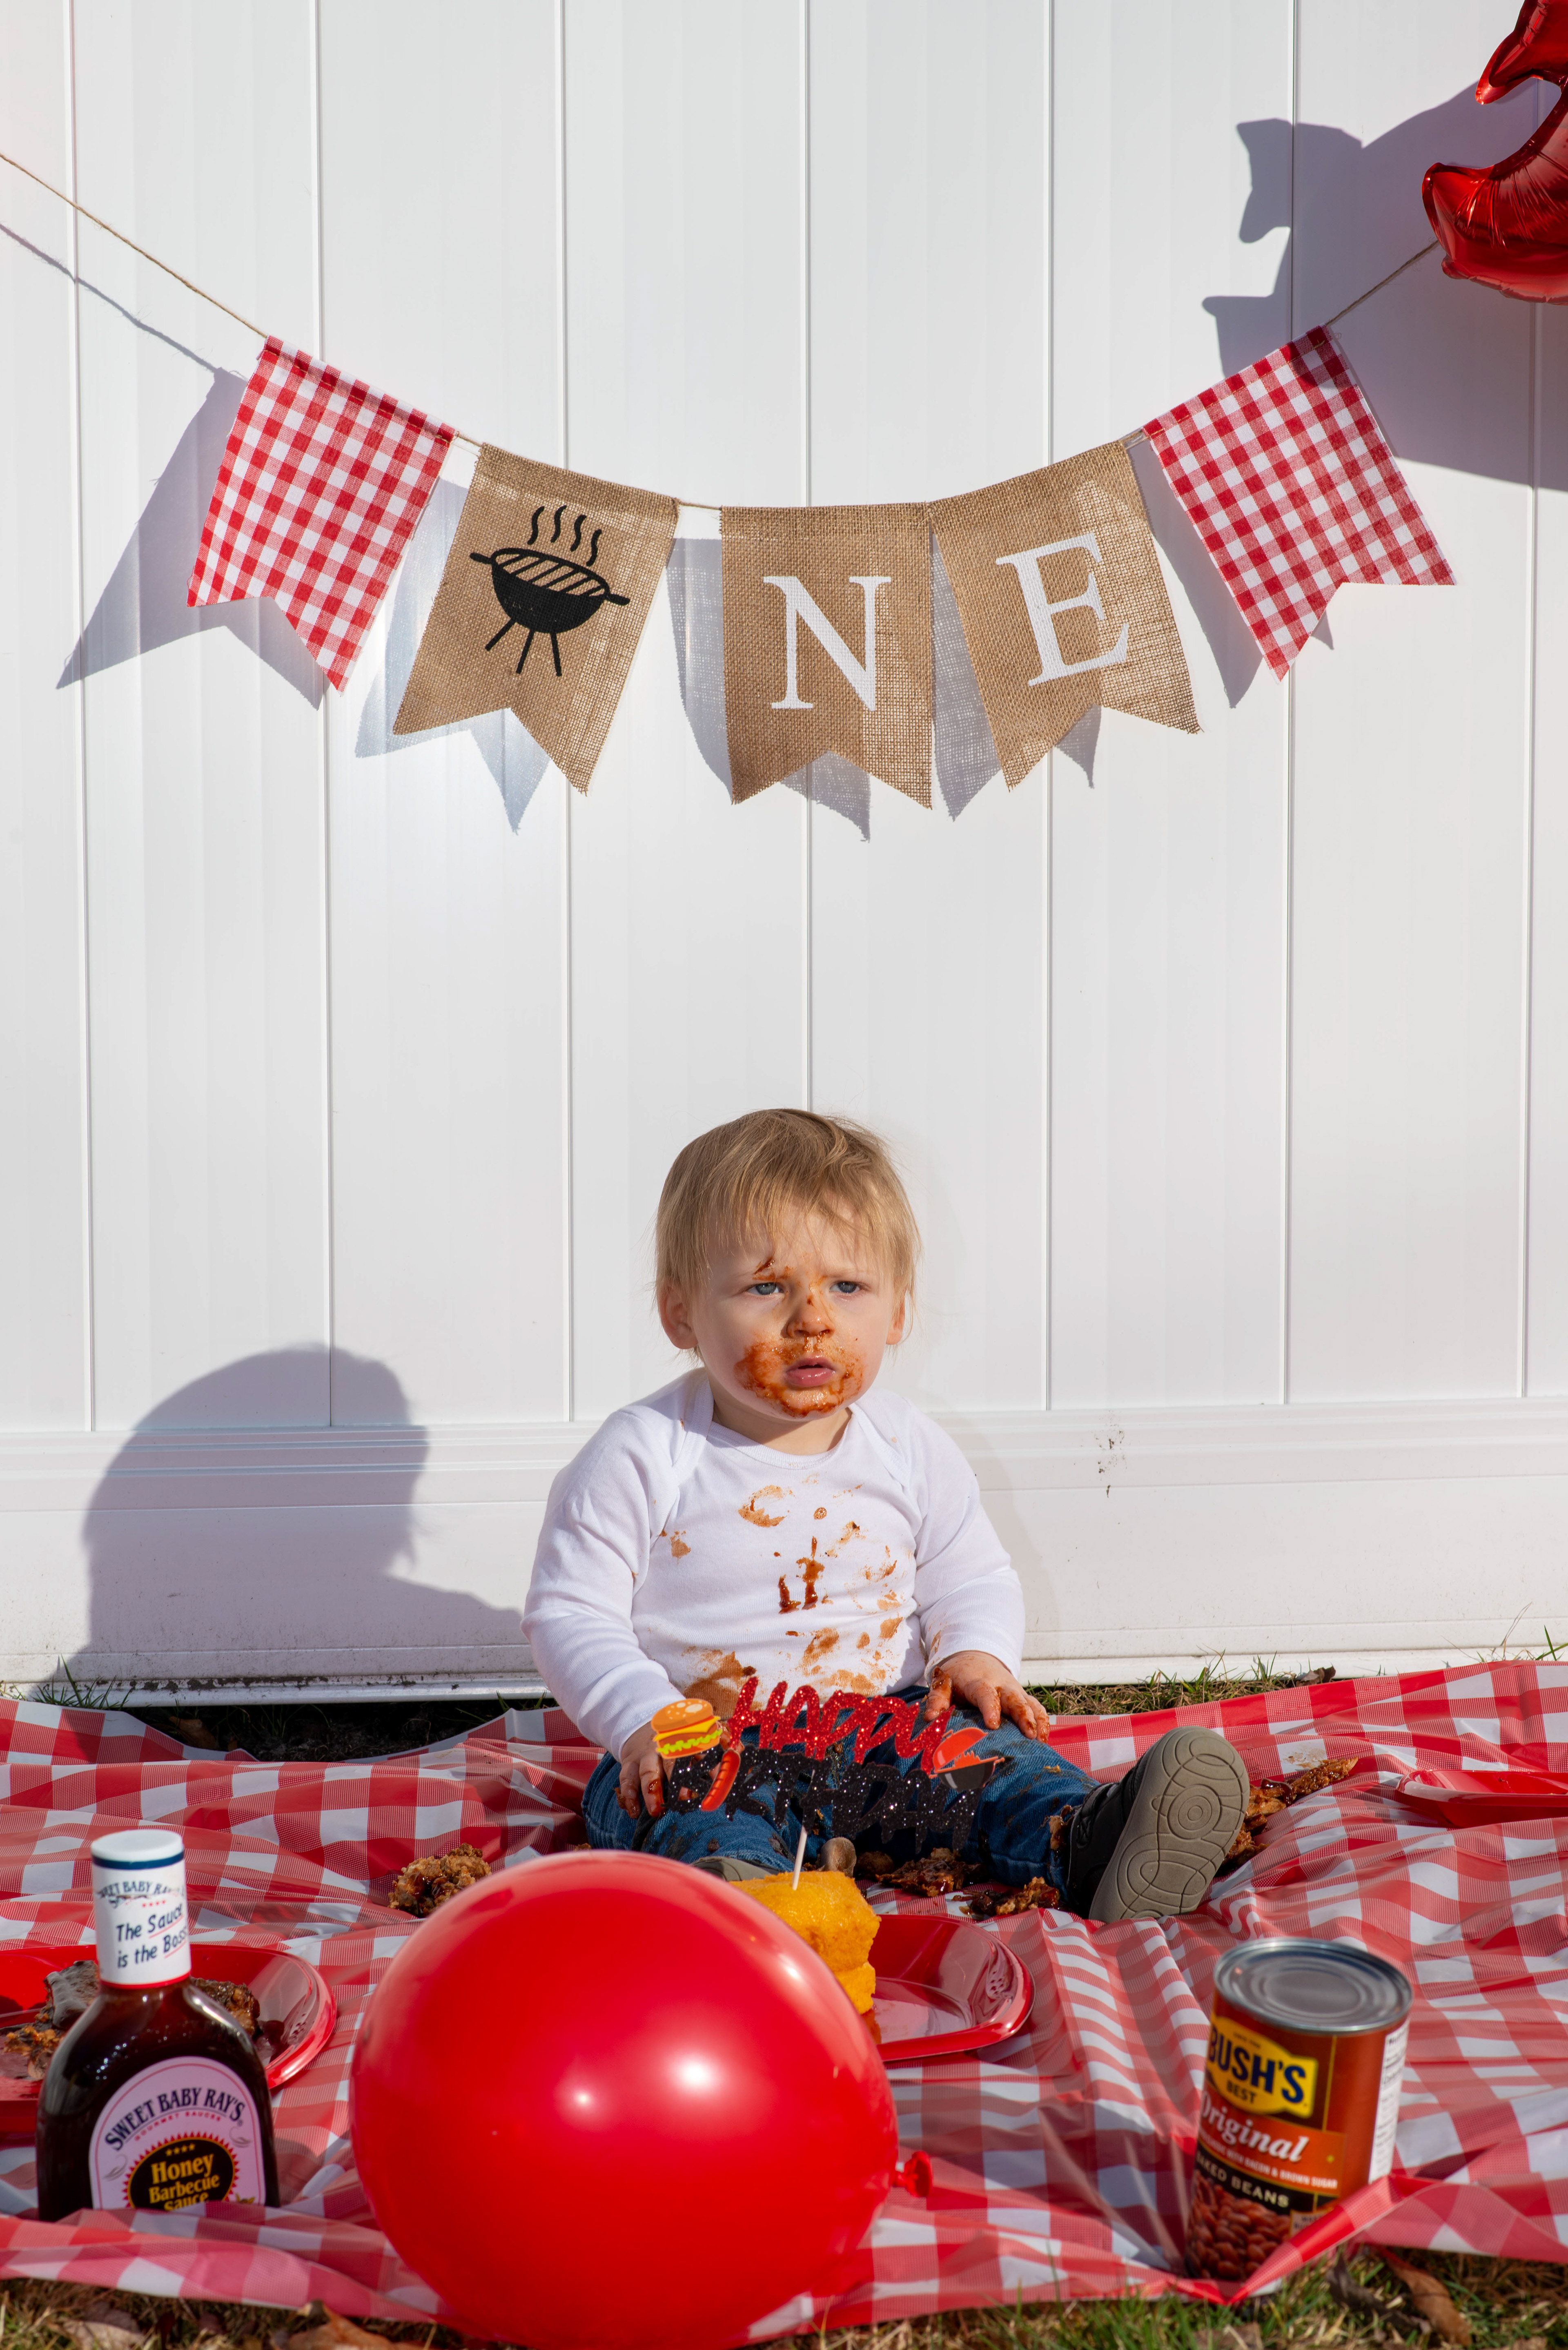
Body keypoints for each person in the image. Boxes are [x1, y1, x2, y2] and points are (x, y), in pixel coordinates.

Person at [523, 1109, 1247, 1920]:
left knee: (997, 1765)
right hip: (708, 1740)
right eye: (766, 1287)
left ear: (898, 1311)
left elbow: (968, 1573)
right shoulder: (644, 1451)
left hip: (891, 1732)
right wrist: (641, 1719)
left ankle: (1089, 1839)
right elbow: (571, 1612)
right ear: (681, 1312)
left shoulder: (907, 1445)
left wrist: (974, 1653)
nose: (812, 1318)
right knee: (686, 1812)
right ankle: (750, 1904)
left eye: (847, 1287)